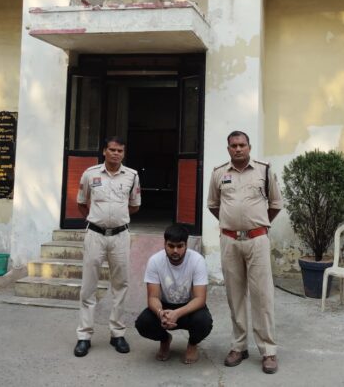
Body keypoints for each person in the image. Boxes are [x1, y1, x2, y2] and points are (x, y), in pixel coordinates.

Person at [207, 130, 283, 374]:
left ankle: (268, 350)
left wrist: (257, 224)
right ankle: (239, 346)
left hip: (257, 240)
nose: (238, 149)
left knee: (262, 296)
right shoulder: (219, 173)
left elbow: (275, 204)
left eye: (242, 145)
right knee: (235, 295)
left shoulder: (264, 170)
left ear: (249, 147)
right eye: (233, 146)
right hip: (229, 241)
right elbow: (213, 205)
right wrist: (232, 223)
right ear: (228, 149)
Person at [74, 136, 141, 357]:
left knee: (121, 285)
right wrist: (98, 219)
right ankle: (84, 336)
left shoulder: (132, 176)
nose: (116, 153)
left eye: (120, 150)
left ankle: (117, 333)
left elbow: (134, 206)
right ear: (104, 151)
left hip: (120, 236)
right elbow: (81, 202)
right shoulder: (90, 174)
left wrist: (116, 218)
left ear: (124, 153)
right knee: (88, 286)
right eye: (112, 149)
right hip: (95, 235)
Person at [135, 224, 213, 364]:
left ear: (186, 245)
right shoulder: (155, 261)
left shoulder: (197, 260)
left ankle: (192, 344)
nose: (175, 250)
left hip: (189, 308)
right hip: (164, 308)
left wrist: (177, 313)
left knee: (204, 322)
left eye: (180, 246)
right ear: (164, 244)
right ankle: (165, 340)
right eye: (171, 246)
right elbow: (153, 297)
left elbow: (200, 299)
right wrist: (160, 313)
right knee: (143, 323)